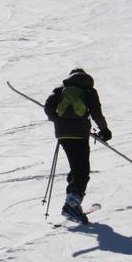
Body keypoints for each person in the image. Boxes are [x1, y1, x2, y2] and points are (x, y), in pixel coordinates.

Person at [43, 68, 111, 223]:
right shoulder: (88, 91)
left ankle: (73, 201)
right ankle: (71, 204)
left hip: (63, 135)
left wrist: (58, 121)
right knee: (82, 171)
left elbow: (48, 107)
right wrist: (104, 130)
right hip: (79, 134)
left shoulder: (60, 90)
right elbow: (96, 112)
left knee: (76, 168)